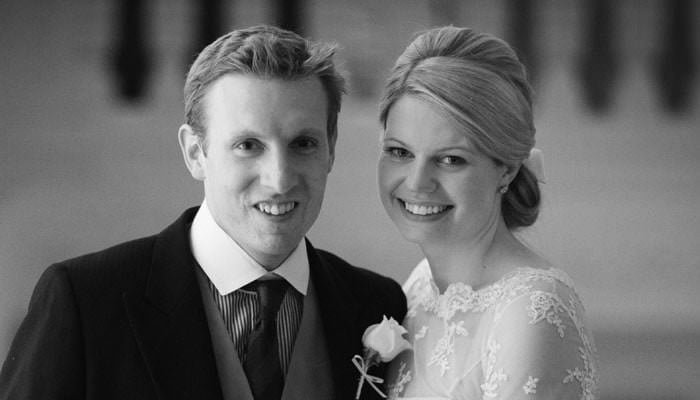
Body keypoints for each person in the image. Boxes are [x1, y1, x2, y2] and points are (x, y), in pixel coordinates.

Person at [0, 25, 406, 400]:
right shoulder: (85, 301)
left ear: (331, 148)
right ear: (195, 152)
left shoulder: (375, 305)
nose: (280, 179)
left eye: (303, 144)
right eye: (248, 145)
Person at [377, 26, 599, 399]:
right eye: (400, 152)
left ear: (507, 169)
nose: (416, 182)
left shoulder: (530, 311)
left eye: (451, 159)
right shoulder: (420, 286)